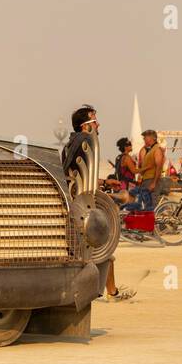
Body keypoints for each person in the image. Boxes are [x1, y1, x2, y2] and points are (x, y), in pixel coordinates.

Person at [62, 104, 135, 302]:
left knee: (104, 251)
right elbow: (74, 177)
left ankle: (112, 292)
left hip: (80, 204)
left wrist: (104, 183)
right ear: (86, 126)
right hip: (81, 208)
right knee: (99, 249)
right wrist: (115, 197)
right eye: (95, 121)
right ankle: (97, 294)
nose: (99, 124)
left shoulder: (75, 141)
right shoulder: (85, 141)